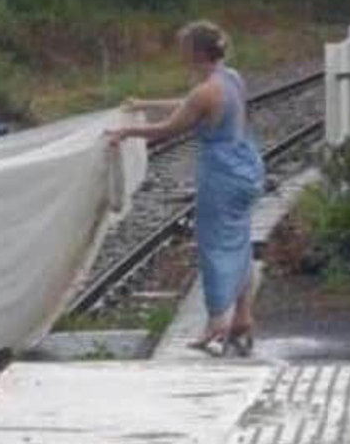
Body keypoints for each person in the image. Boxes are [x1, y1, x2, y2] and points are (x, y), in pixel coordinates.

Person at [108, 20, 264, 356]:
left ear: (196, 51)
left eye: (184, 48)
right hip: (247, 167)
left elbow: (170, 128)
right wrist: (145, 103)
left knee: (214, 247)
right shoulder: (231, 78)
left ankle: (215, 323)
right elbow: (188, 105)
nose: (181, 54)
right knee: (238, 243)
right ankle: (242, 317)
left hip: (221, 175)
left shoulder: (205, 91)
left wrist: (126, 133)